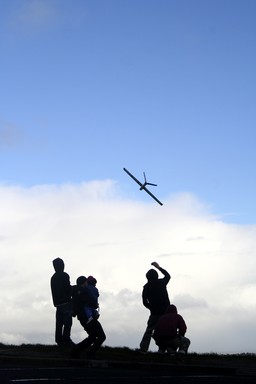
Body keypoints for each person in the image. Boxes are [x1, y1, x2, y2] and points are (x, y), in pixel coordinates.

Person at [71, 276, 106, 359]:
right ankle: (89, 353)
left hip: (83, 318)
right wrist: (95, 306)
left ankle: (76, 351)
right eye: (86, 282)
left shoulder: (76, 292)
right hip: (88, 318)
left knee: (92, 336)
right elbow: (90, 302)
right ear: (84, 282)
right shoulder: (84, 292)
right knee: (101, 336)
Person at [139, 261, 171, 353]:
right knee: (166, 331)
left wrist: (151, 308)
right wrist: (159, 267)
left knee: (149, 331)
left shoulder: (146, 287)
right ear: (156, 276)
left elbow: (144, 302)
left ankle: (143, 349)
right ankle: (165, 349)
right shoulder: (161, 283)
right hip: (166, 312)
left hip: (154, 313)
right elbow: (168, 276)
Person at [50, 258, 74, 346]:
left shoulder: (53, 277)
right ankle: (66, 339)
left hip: (57, 303)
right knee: (68, 323)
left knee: (59, 323)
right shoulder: (64, 275)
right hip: (66, 302)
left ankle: (59, 340)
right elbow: (67, 288)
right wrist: (74, 289)